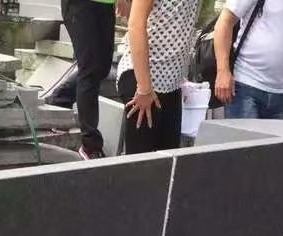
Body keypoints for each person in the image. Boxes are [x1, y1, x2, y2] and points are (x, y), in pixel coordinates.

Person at [212, 0, 283, 121]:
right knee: (245, 134)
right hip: (245, 84)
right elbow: (225, 22)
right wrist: (223, 71)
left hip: (280, 93)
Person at [117, 0, 204, 154]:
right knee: (142, 160)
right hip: (143, 77)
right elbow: (136, 25)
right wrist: (144, 88)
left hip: (172, 82)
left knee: (169, 158)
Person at [62, 0, 124, 159]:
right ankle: (90, 145)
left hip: (106, 4)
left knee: (102, 68)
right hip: (81, 5)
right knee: (89, 70)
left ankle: (60, 100)